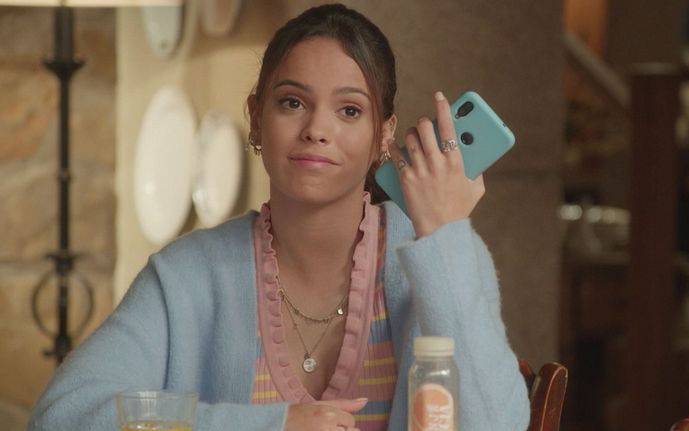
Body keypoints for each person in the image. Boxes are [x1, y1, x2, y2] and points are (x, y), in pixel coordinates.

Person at [28, 4, 530, 431]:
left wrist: (443, 236)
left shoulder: (442, 257)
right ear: (256, 117)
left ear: (384, 134)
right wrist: (272, 425)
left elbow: (498, 424)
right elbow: (61, 416)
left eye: (350, 111)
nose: (316, 129)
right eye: (293, 102)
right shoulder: (187, 275)